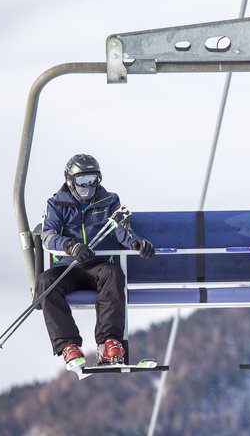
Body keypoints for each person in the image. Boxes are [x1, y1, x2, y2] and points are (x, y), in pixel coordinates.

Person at [35, 154, 156, 368]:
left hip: (97, 266)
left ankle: (109, 342)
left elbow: (121, 229)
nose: (88, 187)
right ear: (70, 181)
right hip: (68, 266)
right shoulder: (57, 204)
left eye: (93, 180)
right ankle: (68, 346)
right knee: (45, 282)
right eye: (82, 181)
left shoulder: (109, 201)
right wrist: (70, 247)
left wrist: (135, 243)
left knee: (113, 274)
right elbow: (48, 235)